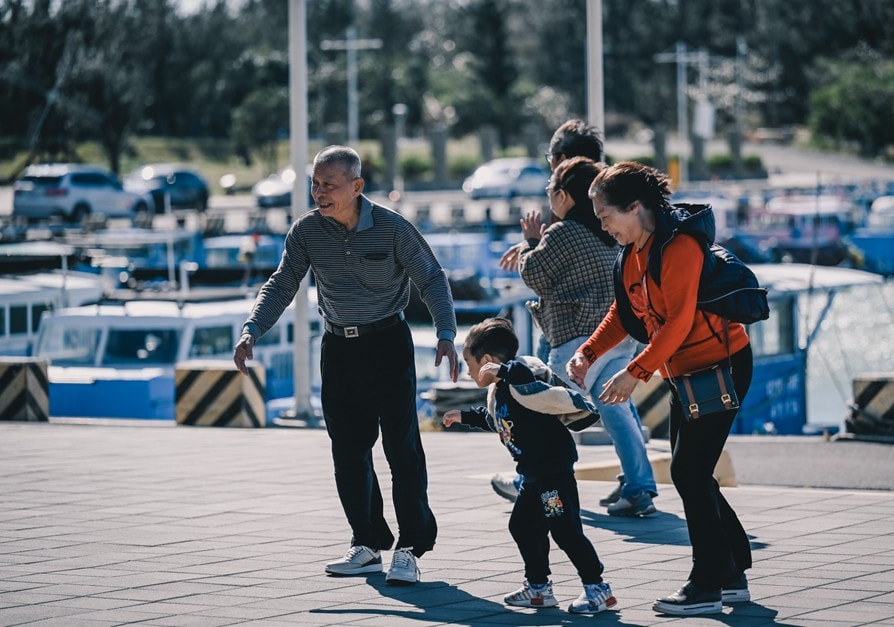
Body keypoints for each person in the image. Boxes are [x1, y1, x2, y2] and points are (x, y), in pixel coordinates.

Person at [233, 145, 458, 586]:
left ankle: (410, 548)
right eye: (315, 184)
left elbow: (431, 278)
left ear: (356, 187)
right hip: (338, 349)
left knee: (401, 448)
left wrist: (446, 333)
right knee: (349, 451)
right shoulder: (306, 231)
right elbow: (282, 282)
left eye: (329, 185)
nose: (319, 193)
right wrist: (252, 329)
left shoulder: (393, 228)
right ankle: (367, 542)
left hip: (388, 344)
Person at [566, 161, 753, 616]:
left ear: (635, 206)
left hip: (721, 366)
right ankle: (731, 572)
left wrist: (635, 372)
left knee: (689, 473)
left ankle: (707, 584)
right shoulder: (632, 252)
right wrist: (589, 352)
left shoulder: (679, 245)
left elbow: (679, 321)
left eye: (606, 216)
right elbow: (624, 312)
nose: (603, 226)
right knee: (693, 473)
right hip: (682, 373)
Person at [492, 120, 657, 517]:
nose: (548, 193)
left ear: (564, 194)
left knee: (540, 409)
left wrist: (532, 243)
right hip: (619, 336)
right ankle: (639, 488)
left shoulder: (563, 232)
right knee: (616, 410)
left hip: (576, 341)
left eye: (551, 187)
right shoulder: (608, 231)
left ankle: (529, 483)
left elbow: (535, 274)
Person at [442, 318, 617, 614]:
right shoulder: (501, 392)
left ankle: (598, 588)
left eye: (469, 363)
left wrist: (503, 370)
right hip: (533, 477)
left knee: (564, 530)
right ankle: (538, 588)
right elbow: (497, 420)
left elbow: (524, 373)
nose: (468, 371)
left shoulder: (521, 380)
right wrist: (465, 416)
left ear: (488, 361)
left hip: (552, 476)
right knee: (522, 526)